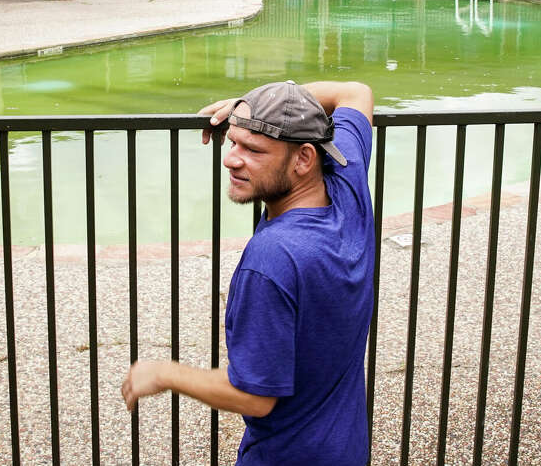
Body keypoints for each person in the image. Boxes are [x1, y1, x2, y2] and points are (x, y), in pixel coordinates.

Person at [121, 79, 376, 465]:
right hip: (346, 451)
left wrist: (163, 373)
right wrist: (256, 105)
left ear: (304, 159)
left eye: (253, 149)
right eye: (233, 142)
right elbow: (356, 92)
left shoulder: (272, 259)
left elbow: (255, 396)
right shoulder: (347, 186)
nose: (231, 158)